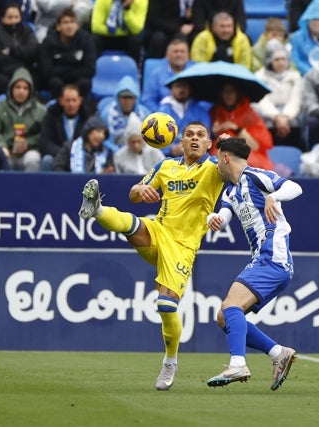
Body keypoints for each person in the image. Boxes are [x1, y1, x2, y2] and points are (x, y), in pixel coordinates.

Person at [78, 122, 224, 391]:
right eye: (189, 135)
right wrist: (140, 191)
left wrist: (228, 145)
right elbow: (134, 193)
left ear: (208, 143)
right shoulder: (165, 166)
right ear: (180, 141)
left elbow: (238, 165)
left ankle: (170, 360)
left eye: (200, 136)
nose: (194, 139)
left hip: (182, 247)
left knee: (165, 306)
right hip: (159, 231)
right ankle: (96, 208)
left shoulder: (215, 168)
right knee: (132, 223)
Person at [204, 136, 300, 390]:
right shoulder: (230, 191)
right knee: (225, 316)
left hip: (273, 256)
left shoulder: (256, 176)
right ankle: (278, 353)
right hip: (262, 257)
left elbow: (295, 187)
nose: (215, 164)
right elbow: (223, 217)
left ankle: (238, 364)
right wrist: (214, 219)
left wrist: (273, 196)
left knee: (231, 306)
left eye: (216, 158)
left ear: (225, 157)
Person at [0, 68, 47, 172]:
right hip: (6, 150)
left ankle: (31, 188)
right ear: (11, 89)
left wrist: (28, 143)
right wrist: (3, 147)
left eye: (25, 88)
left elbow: (43, 135)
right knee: (1, 158)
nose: (21, 91)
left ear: (30, 91)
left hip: (29, 150)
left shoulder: (41, 110)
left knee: (33, 159)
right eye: (18, 87)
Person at [253, 39, 305, 151]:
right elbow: (262, 101)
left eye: (283, 59)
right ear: (269, 60)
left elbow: (296, 99)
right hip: (268, 116)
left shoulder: (295, 76)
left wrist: (285, 116)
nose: (281, 63)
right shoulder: (259, 76)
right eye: (277, 60)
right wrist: (276, 117)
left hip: (290, 117)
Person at [210, 82, 274, 170]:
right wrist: (213, 132)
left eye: (231, 91)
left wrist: (236, 128)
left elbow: (255, 146)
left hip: (249, 161)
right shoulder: (214, 112)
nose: (228, 95)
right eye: (225, 91)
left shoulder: (249, 114)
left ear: (238, 93)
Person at [38, 8, 97, 99]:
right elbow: (46, 71)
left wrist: (64, 69)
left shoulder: (86, 40)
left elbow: (90, 69)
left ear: (77, 26)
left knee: (85, 83)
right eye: (65, 22)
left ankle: (80, 108)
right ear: (58, 26)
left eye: (72, 22)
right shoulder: (48, 42)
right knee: (54, 82)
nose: (69, 26)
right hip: (58, 80)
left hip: (77, 79)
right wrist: (72, 67)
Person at [0, 4, 40, 99]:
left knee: (36, 78)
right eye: (10, 17)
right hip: (1, 71)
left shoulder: (27, 30)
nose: (14, 21)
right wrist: (22, 56)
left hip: (25, 69)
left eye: (16, 17)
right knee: (1, 81)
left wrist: (12, 51)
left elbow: (33, 51)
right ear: (2, 18)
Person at [39, 84, 95, 171]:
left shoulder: (88, 117)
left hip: (81, 156)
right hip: (57, 156)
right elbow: (45, 142)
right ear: (61, 101)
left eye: (74, 100)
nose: (71, 104)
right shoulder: (51, 116)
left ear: (80, 101)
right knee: (47, 160)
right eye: (68, 100)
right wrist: (64, 153)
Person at [156, 79, 211, 156]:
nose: (181, 89)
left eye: (184, 86)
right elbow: (156, 136)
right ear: (171, 90)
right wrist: (170, 149)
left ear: (190, 89)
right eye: (178, 86)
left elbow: (206, 134)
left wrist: (190, 147)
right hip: (167, 158)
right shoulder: (162, 111)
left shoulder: (200, 111)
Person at [142, 37, 194, 112]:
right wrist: (161, 115)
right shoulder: (157, 74)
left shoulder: (196, 72)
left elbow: (205, 100)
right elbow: (147, 100)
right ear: (167, 55)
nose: (179, 54)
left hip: (193, 118)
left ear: (188, 55)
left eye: (182, 51)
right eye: (175, 51)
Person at [98, 75, 149, 151]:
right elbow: (102, 138)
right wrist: (114, 150)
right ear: (118, 98)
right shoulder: (107, 114)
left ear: (136, 99)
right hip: (113, 154)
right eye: (124, 98)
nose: (127, 101)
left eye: (130, 98)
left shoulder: (145, 114)